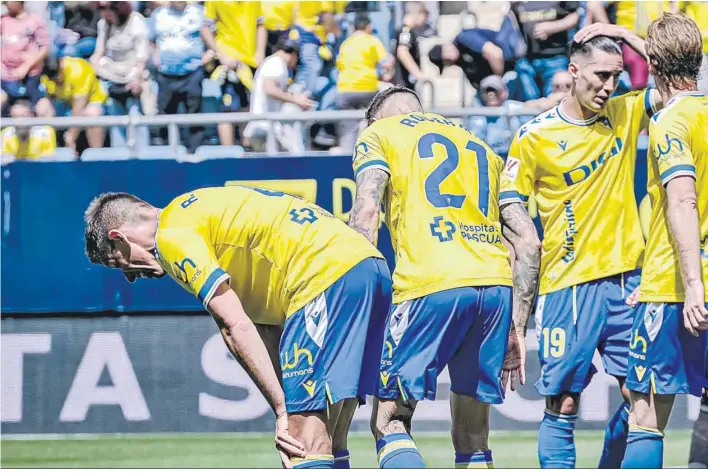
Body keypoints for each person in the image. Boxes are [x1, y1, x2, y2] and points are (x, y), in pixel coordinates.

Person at [83, 186, 391, 470]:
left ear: (118, 237)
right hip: (369, 268)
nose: (129, 277)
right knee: (331, 441)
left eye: (117, 263)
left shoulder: (171, 237)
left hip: (325, 276)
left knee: (302, 445)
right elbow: (265, 326)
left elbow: (233, 325)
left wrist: (284, 412)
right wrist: (285, 402)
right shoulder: (199, 208)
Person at [348, 86, 541, 468]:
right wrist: (518, 326)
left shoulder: (379, 135)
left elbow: (367, 214)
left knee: (391, 421)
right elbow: (530, 242)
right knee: (473, 435)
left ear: (374, 121)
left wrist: (358, 311)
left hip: (429, 283)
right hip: (494, 291)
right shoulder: (483, 149)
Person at [508, 26, 664, 467]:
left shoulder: (626, 112)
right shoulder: (533, 136)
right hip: (568, 286)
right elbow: (510, 204)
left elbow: (677, 80)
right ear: (572, 71)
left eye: (617, 76)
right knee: (564, 404)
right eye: (600, 75)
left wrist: (619, 32)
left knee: (644, 401)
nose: (609, 85)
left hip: (630, 283)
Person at [607, 13, 707, 468]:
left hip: (675, 287)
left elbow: (682, 203)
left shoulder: (671, 122)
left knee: (646, 413)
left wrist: (693, 286)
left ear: (655, 67)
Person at [91, 1, 155, 148]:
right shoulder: (104, 25)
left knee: (135, 118)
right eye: (101, 8)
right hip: (112, 74)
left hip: (134, 73)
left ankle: (141, 153)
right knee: (115, 116)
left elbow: (142, 57)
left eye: (109, 8)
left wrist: (136, 79)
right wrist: (93, 67)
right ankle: (118, 154)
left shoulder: (136, 21)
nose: (105, 12)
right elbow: (98, 52)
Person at [201, 1, 266, 146]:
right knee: (227, 110)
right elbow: (205, 28)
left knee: (247, 106)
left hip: (249, 63)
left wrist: (260, 52)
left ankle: (245, 150)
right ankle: (228, 154)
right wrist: (221, 54)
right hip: (228, 63)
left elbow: (260, 24)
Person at [149, 1, 211, 153]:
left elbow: (211, 36)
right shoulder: (158, 14)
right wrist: (155, 56)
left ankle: (195, 153)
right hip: (166, 73)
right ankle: (166, 153)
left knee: (194, 114)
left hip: (192, 72)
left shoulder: (199, 12)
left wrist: (208, 55)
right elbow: (150, 40)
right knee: (164, 114)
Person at [243, 34, 316, 154]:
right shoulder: (276, 63)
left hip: (266, 128)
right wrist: (296, 100)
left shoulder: (273, 62)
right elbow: (270, 89)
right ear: (293, 54)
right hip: (265, 128)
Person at [335, 13, 394, 152]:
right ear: (369, 26)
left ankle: (346, 158)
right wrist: (388, 73)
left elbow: (339, 66)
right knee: (376, 119)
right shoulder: (372, 41)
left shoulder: (345, 43)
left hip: (345, 89)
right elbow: (386, 63)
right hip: (367, 88)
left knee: (348, 128)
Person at [468, 74, 566, 155]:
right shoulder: (477, 114)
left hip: (512, 156)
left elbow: (530, 108)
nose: (491, 94)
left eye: (494, 90)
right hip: (489, 157)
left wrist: (547, 102)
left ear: (504, 92)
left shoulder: (513, 107)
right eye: (487, 91)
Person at [511, 1, 580, 100]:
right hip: (527, 59)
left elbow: (576, 15)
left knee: (554, 100)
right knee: (527, 101)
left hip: (555, 58)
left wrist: (552, 27)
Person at [42, 56, 107, 153]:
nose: (57, 79)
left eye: (57, 75)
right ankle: (48, 152)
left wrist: (71, 136)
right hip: (65, 101)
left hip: (90, 101)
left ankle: (97, 156)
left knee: (92, 113)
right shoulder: (47, 75)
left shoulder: (78, 70)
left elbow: (79, 108)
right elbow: (49, 97)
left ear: (61, 64)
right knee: (43, 107)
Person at [1, 1, 53, 118]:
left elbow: (44, 49)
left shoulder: (35, 21)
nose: (5, 3)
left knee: (44, 108)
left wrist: (25, 67)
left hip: (30, 78)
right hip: (6, 78)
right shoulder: (3, 21)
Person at [393, 1, 432, 91]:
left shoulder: (402, 30)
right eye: (425, 17)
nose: (424, 21)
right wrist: (418, 74)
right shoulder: (406, 31)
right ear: (418, 14)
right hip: (404, 84)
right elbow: (402, 53)